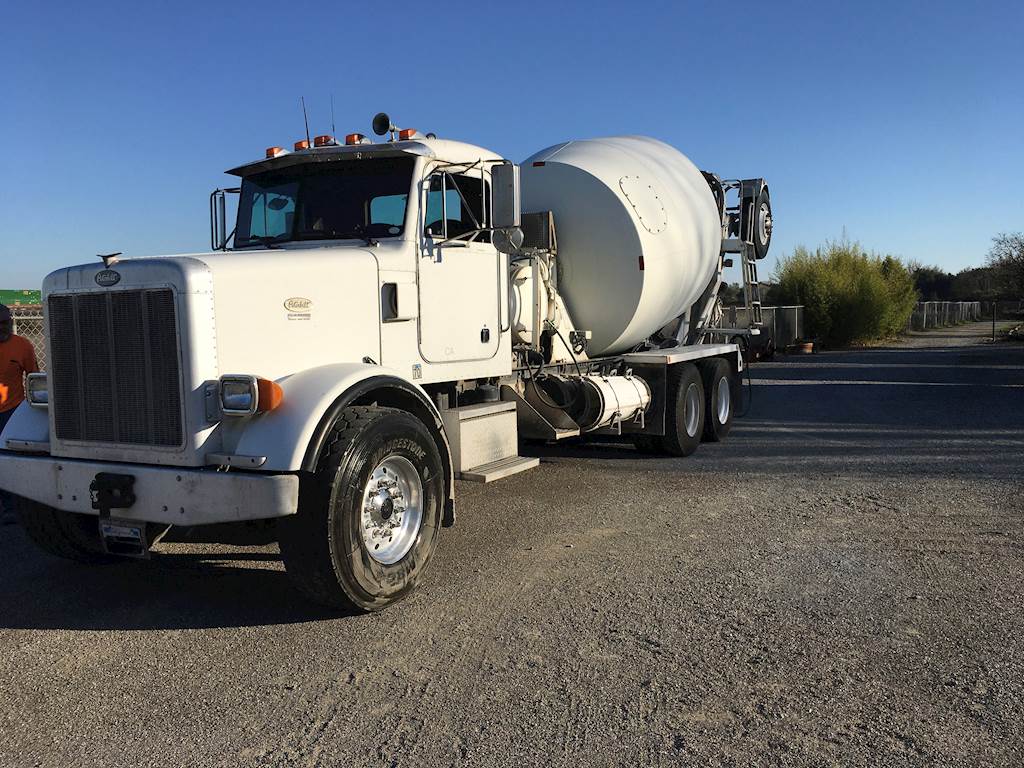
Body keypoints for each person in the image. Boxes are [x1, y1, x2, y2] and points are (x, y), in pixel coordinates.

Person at [0, 304, 39, 524]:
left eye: (6, 322)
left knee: (11, 462)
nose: (3, 328)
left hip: (12, 412)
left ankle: (11, 506)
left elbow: (34, 378)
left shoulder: (23, 346)